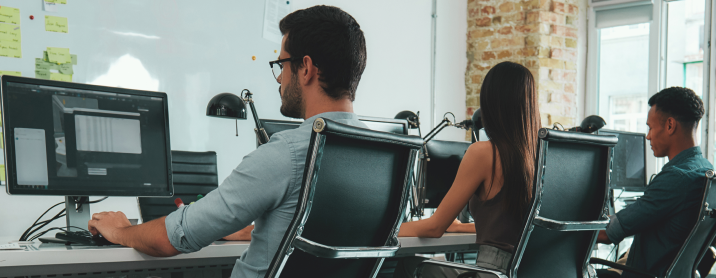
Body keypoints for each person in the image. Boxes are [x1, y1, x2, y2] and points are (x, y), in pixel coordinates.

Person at [86, 5, 367, 277]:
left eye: (282, 64)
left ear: (306, 68)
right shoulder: (385, 157)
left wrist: (121, 230)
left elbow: (172, 238)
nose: (279, 77)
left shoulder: (288, 154)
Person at [393, 61, 541, 277]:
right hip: (532, 270)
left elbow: (434, 228)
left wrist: (381, 230)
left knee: (409, 265)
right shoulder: (542, 157)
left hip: (495, 271)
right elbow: (517, 228)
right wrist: (459, 227)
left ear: (490, 104)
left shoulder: (483, 153)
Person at [596, 87, 712, 278]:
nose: (648, 136)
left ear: (670, 125)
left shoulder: (676, 178)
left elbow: (606, 234)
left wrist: (563, 228)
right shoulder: (705, 170)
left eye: (650, 128)